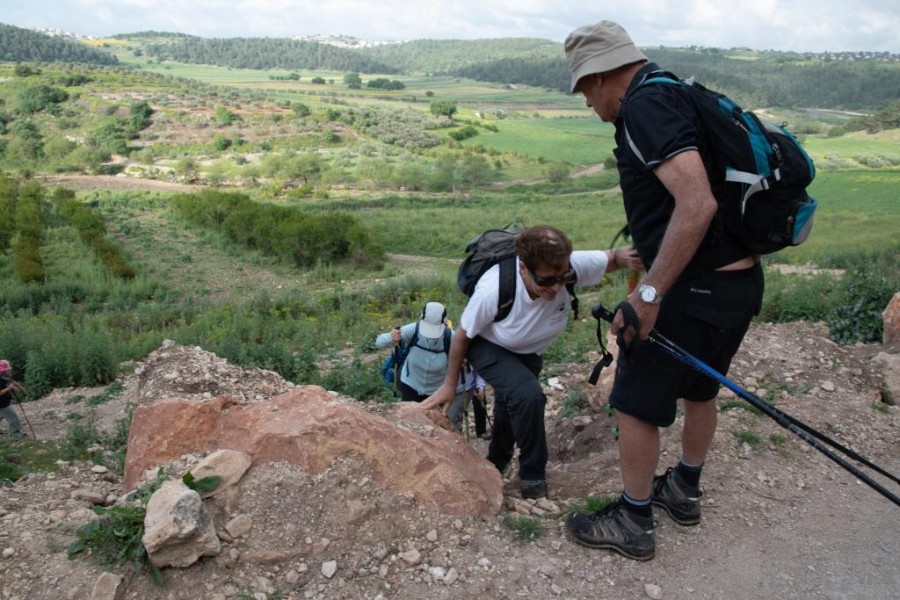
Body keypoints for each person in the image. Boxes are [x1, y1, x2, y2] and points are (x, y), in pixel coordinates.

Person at [563, 21, 765, 560]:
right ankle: (683, 489)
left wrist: (649, 295)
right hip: (738, 282)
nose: (588, 102)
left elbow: (696, 204)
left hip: (689, 288)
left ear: (604, 75)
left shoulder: (645, 109)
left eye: (586, 88)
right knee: (702, 388)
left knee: (633, 403)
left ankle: (633, 520)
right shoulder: (678, 91)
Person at [419, 225, 641, 499]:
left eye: (564, 277)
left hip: (527, 353)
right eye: (547, 281)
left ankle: (495, 464)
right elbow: (462, 336)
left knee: (510, 408)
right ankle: (533, 475)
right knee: (529, 396)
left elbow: (613, 259)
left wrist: (631, 254)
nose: (557, 286)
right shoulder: (494, 289)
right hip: (489, 347)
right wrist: (449, 385)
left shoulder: (566, 267)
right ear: (524, 268)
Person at [375, 302, 455, 402]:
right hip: (410, 385)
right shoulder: (413, 329)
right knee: (409, 417)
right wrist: (393, 336)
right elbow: (379, 342)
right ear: (421, 319)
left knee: (432, 417)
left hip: (437, 391)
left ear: (445, 322)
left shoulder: (451, 337)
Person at [446, 361, 490, 439]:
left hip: (467, 386)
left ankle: (481, 431)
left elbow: (480, 368)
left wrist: (480, 386)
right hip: (446, 388)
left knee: (479, 402)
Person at [0, 360, 27, 438]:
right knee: (12, 417)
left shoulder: (5, 377)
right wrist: (9, 388)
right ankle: (17, 432)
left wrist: (20, 388)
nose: (9, 371)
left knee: (1, 415)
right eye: (7, 370)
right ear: (2, 371)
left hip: (4, 402)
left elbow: (12, 381)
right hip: (2, 404)